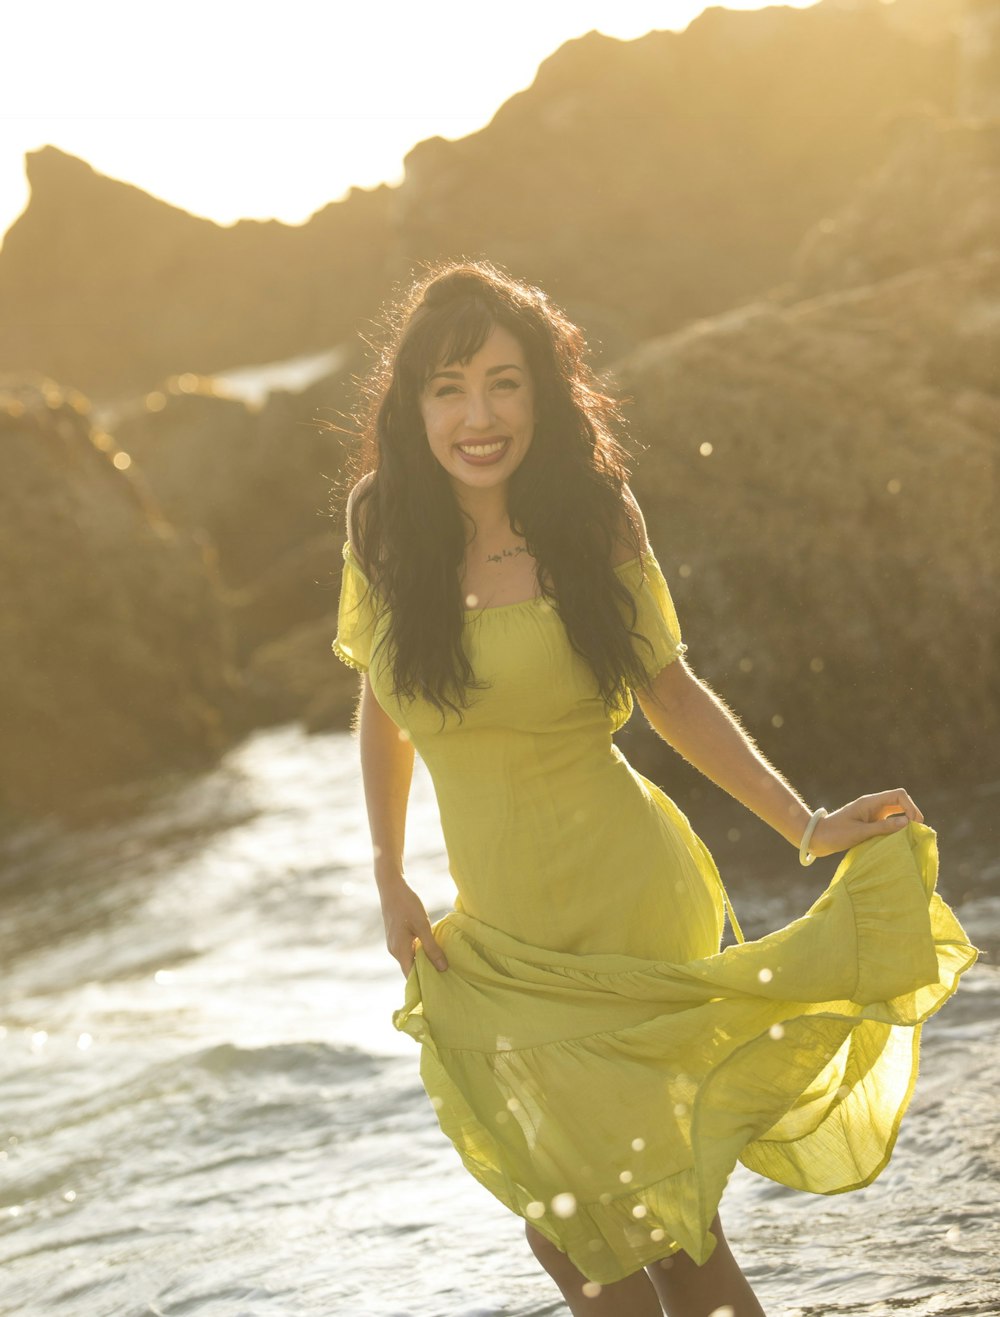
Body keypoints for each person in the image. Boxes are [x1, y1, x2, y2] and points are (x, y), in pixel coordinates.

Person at [331, 260, 977, 1317]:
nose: (477, 416)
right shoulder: (382, 523)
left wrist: (804, 826)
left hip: (631, 902)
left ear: (542, 390)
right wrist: (388, 873)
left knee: (672, 1232)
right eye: (446, 388)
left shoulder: (594, 515)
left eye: (502, 382)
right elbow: (381, 703)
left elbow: (669, 691)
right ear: (411, 405)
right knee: (566, 1237)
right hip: (501, 940)